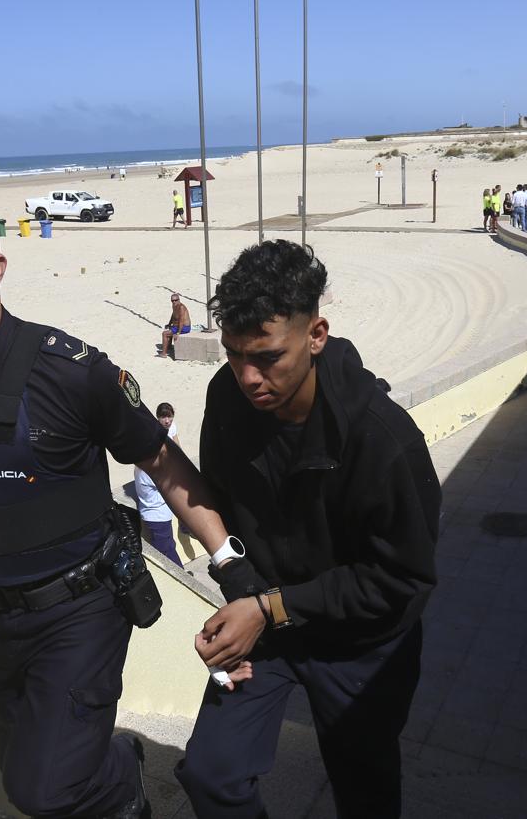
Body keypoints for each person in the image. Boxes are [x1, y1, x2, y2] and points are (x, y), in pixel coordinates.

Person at [0, 195, 252, 819]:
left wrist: (226, 561)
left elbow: (160, 459)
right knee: (22, 772)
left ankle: (125, 785)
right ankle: (107, 772)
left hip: (83, 609)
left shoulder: (70, 372)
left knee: (43, 791)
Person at [175, 240, 439, 819]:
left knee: (364, 791)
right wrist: (243, 597)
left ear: (316, 335)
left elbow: (404, 579)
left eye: (268, 356)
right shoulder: (227, 398)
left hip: (363, 645)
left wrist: (269, 606)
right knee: (210, 775)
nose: (248, 377)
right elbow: (222, 507)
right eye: (234, 355)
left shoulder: (384, 441)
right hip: (269, 627)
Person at [134, 403, 183, 567]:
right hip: (157, 517)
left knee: (168, 547)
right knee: (168, 554)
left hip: (159, 514)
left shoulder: (144, 463)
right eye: (164, 417)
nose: (168, 421)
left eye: (170, 416)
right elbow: (171, 485)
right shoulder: (149, 469)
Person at [160, 292, 192, 358]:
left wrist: (178, 333)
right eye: (172, 301)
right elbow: (173, 315)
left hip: (184, 327)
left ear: (179, 300)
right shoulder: (174, 306)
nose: (174, 302)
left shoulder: (181, 307)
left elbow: (181, 321)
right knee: (170, 328)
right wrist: (169, 323)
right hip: (177, 326)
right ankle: (168, 347)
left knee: (164, 333)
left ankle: (164, 353)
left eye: (175, 300)